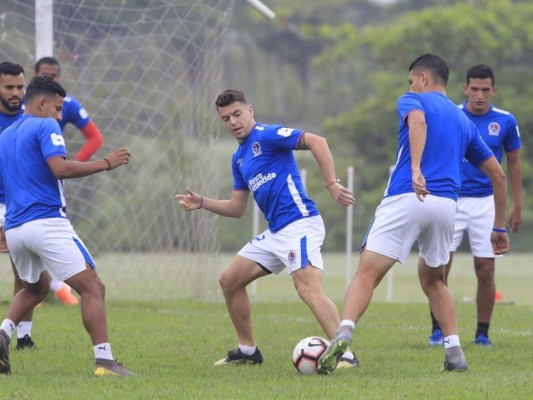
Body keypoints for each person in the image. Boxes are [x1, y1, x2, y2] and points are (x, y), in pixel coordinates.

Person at [317, 54, 510, 375]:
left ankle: (344, 333)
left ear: (422, 79)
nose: (410, 87)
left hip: (407, 195)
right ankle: (454, 351)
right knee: (434, 280)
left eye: (411, 81)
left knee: (367, 272)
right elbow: (498, 176)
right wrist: (499, 227)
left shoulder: (412, 100)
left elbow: (418, 122)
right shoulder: (464, 121)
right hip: (447, 205)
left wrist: (417, 168)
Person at [175, 89, 358, 368]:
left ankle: (346, 355)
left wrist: (331, 182)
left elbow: (317, 141)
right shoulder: (239, 158)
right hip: (276, 233)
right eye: (226, 118)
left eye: (237, 114)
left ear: (250, 111)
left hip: (300, 223)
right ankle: (248, 351)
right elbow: (238, 208)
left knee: (306, 287)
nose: (233, 121)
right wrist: (202, 202)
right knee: (229, 280)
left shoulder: (267, 135)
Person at [0, 75, 133, 376]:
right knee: (93, 287)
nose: (60, 117)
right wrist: (106, 163)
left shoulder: (5, 136)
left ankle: (3, 334)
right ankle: (105, 361)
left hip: (15, 227)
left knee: (36, 288)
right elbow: (59, 168)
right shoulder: (45, 125)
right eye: (58, 109)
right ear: (42, 102)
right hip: (47, 222)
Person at [427, 64, 522, 347]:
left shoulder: (505, 121)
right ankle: (437, 330)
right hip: (451, 198)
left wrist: (517, 204)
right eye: (474, 89)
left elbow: (514, 163)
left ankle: (482, 333)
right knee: (440, 266)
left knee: (485, 268)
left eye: (485, 89)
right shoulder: (452, 115)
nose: (479, 95)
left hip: (487, 203)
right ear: (465, 88)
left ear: (494, 90)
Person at [34, 56, 105, 306]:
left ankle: (56, 286)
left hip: (51, 179)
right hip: (16, 178)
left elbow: (95, 138)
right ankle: (46, 288)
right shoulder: (20, 106)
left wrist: (72, 163)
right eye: (45, 74)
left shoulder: (67, 105)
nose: (49, 79)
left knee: (49, 231)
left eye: (54, 75)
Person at [0, 61, 38, 350]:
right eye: (9, 87)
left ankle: (23, 337)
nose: (16, 92)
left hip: (19, 205)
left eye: (20, 87)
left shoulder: (31, 120)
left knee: (25, 273)